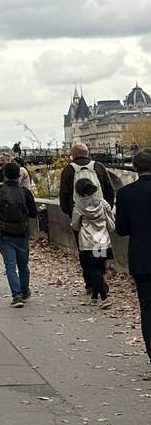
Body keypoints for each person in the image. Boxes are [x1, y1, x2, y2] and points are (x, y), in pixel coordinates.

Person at [115, 148, 151, 366]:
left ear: (135, 168)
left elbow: (121, 229)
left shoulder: (126, 193)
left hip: (141, 257)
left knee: (147, 306)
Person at [0, 161, 37, 307]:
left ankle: (16, 295)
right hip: (22, 233)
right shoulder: (25, 192)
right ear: (18, 175)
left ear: (4, 175)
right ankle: (25, 290)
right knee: (23, 266)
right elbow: (34, 214)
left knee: (10, 266)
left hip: (5, 233)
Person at [59, 142, 116, 258]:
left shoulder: (69, 170)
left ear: (73, 155)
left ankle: (91, 270)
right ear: (87, 153)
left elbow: (64, 196)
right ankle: (100, 268)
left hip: (80, 217)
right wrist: (104, 209)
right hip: (100, 217)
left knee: (85, 251)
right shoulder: (98, 167)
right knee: (100, 250)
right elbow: (110, 190)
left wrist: (71, 213)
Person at [71, 176, 115, 308]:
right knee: (99, 268)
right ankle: (95, 296)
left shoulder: (78, 207)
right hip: (102, 239)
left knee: (92, 269)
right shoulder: (103, 203)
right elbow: (111, 218)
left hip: (87, 242)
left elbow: (75, 226)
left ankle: (104, 296)